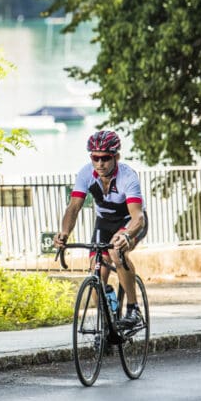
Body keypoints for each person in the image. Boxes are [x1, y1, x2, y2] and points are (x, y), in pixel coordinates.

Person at [54, 129, 148, 328]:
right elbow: (73, 207)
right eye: (95, 158)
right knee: (96, 271)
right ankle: (106, 326)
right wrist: (64, 233)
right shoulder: (85, 174)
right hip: (104, 222)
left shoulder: (127, 176)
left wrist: (126, 235)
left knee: (116, 252)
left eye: (105, 158)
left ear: (116, 157)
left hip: (130, 221)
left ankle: (133, 309)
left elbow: (137, 216)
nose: (100, 163)